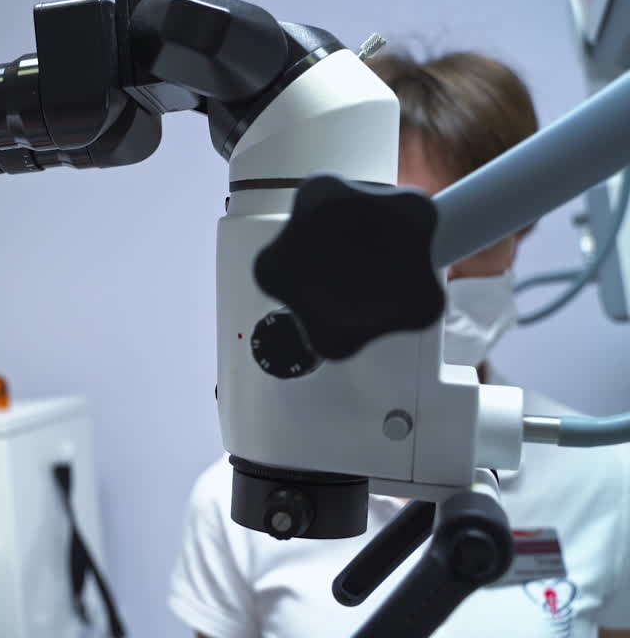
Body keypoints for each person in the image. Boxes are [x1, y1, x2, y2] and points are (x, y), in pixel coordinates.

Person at [168, 51, 630, 638]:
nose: (440, 274)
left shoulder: (603, 480)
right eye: (408, 241)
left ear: (522, 231)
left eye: (477, 226)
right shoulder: (236, 500)